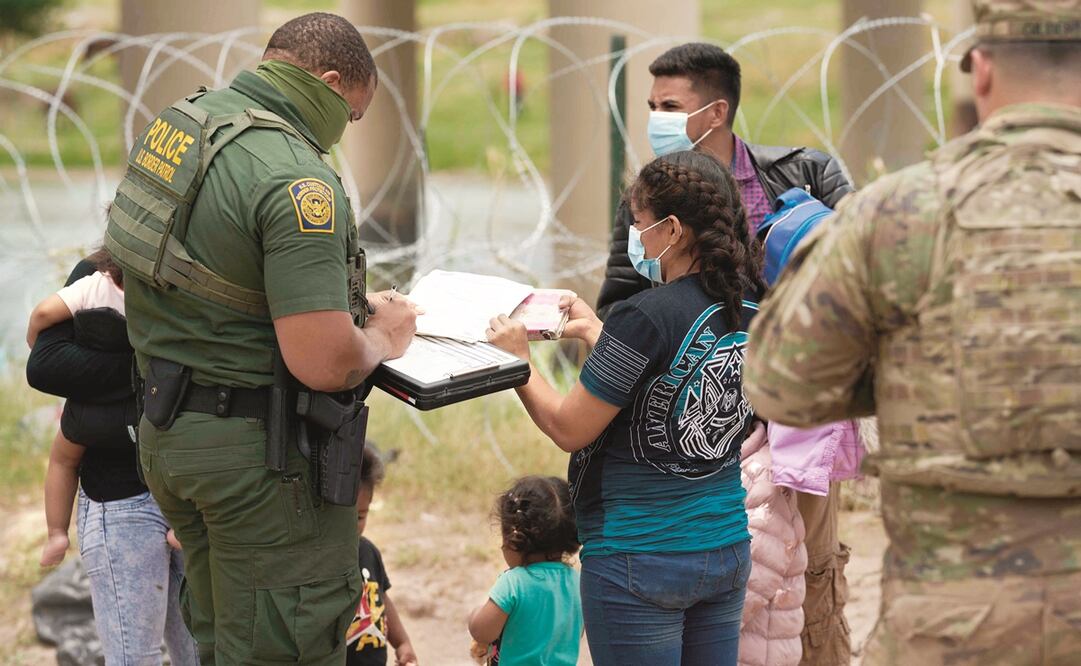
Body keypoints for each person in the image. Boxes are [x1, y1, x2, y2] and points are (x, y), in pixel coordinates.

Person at [743, 1, 1081, 663]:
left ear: (979, 71)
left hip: (952, 616)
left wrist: (907, 370)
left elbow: (779, 387)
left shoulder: (897, 211)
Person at [107, 12, 418, 665]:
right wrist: (382, 337)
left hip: (170, 436)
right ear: (331, 83)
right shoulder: (297, 180)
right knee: (287, 643)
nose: (344, 132)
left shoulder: (179, 125)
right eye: (353, 116)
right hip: (259, 465)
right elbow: (325, 361)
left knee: (222, 636)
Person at [595, 42, 855, 664]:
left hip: (796, 419)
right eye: (651, 105)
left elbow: (862, 279)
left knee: (807, 571)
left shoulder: (805, 175)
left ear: (714, 112)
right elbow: (617, 310)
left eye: (668, 105)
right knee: (717, 582)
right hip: (698, 427)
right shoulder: (649, 201)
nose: (655, 117)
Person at [488, 150, 761, 665]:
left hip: (640, 558)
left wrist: (519, 363)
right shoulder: (753, 303)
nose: (635, 237)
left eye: (640, 224)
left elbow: (570, 427)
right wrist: (598, 331)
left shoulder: (644, 314)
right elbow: (666, 375)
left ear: (673, 229)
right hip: (724, 545)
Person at [25, 250, 198, 665]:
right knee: (134, 654)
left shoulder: (209, 269)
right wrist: (149, 374)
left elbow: (41, 322)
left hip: (190, 494)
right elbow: (43, 363)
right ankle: (57, 533)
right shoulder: (97, 278)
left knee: (202, 651)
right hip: (120, 499)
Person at [468, 476, 582, 666]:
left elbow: (482, 631)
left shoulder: (514, 583)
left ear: (514, 537)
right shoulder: (576, 582)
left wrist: (473, 615)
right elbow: (576, 632)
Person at [347, 445, 418, 666]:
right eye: (344, 517)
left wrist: (403, 643)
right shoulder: (321, 559)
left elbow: (380, 597)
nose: (352, 527)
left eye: (360, 517)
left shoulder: (367, 551)